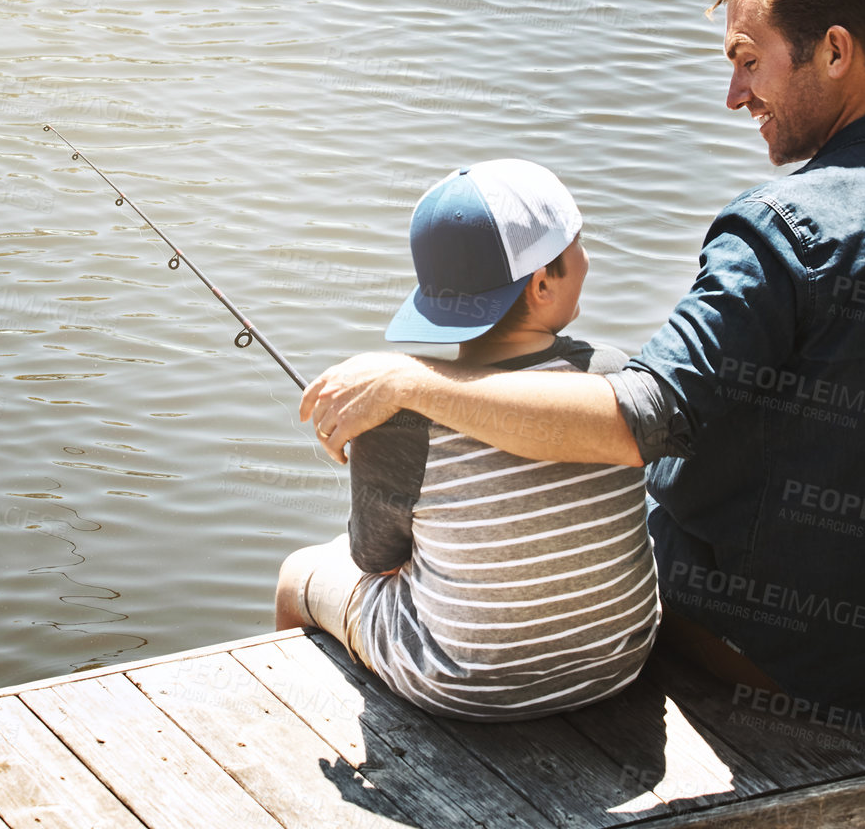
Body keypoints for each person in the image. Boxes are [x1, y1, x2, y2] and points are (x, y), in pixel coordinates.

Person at [300, 0, 865, 727]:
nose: (733, 96)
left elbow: (633, 420)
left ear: (833, 50)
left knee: (591, 506)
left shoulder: (781, 227)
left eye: (748, 63)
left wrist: (411, 381)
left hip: (816, 665)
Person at [275, 159, 660, 721]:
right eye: (577, 246)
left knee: (297, 575)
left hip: (463, 687)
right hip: (617, 662)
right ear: (542, 283)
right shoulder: (613, 378)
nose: (587, 259)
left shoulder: (398, 412)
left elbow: (375, 559)